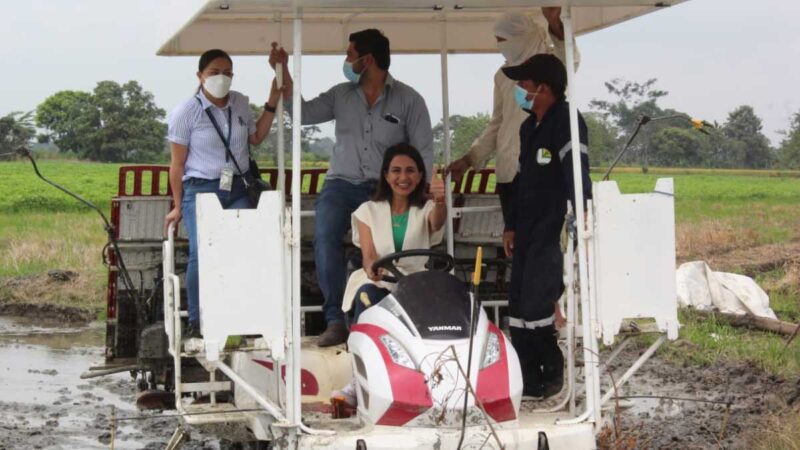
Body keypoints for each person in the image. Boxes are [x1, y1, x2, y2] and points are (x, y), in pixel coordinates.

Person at [269, 29, 435, 347]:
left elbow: (423, 151)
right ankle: (335, 319)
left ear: (367, 60)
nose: (346, 61)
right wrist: (283, 69)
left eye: (350, 54)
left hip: (385, 188)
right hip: (341, 184)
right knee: (325, 235)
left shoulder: (409, 100)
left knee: (398, 243)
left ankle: (401, 307)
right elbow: (301, 112)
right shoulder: (340, 95)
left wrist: (421, 192)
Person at [165, 49, 285, 339]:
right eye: (214, 72)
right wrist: (178, 206)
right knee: (202, 253)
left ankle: (241, 317)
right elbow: (177, 165)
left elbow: (255, 137)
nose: (222, 78)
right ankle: (197, 322)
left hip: (239, 187)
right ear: (200, 76)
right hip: (202, 189)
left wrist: (272, 102)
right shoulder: (186, 112)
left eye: (228, 73)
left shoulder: (240, 102)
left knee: (242, 249)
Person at [500, 54, 592, 399]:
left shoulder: (566, 120)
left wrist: (583, 209)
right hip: (525, 228)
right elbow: (521, 181)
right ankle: (527, 379)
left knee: (539, 301)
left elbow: (576, 170)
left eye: (524, 84)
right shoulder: (528, 128)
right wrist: (511, 225)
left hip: (552, 228)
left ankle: (552, 374)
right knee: (519, 303)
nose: (519, 90)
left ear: (544, 88)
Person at [332, 143, 446, 407]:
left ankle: (433, 378)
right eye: (396, 170)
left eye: (410, 171)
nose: (403, 177)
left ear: (420, 175)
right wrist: (373, 269)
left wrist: (441, 201)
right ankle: (357, 379)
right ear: (385, 175)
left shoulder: (427, 208)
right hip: (379, 282)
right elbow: (369, 257)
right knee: (367, 297)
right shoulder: (367, 211)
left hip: (416, 284)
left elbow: (437, 222)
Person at [445, 8, 578, 224]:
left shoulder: (552, 62)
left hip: (543, 172)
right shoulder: (502, 76)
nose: (499, 46)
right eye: (497, 40)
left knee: (541, 236)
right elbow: (497, 123)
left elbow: (571, 60)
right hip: (508, 172)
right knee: (513, 237)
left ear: (520, 37)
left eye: (503, 40)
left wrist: (555, 24)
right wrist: (470, 158)